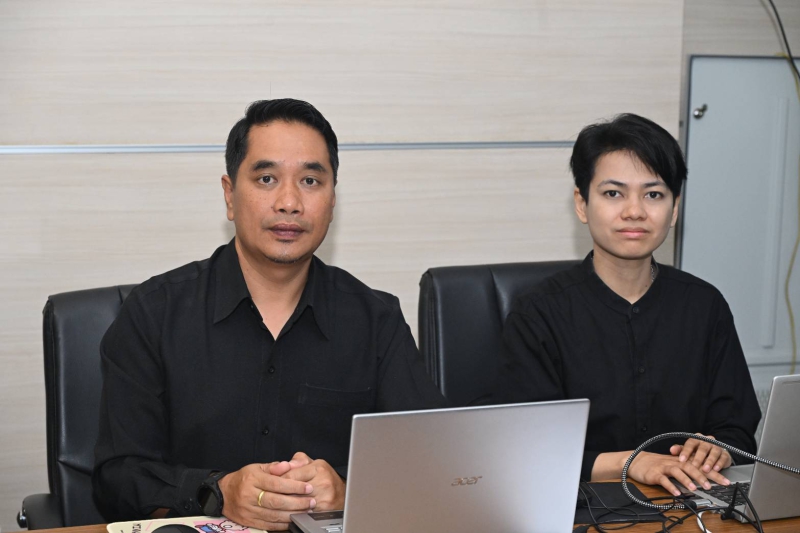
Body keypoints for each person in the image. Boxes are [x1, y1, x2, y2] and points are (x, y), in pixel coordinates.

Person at [93, 99, 445, 531]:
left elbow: (432, 464)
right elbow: (118, 477)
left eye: (311, 180)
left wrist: (349, 491)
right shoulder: (153, 313)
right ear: (229, 194)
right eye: (266, 179)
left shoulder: (376, 319)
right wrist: (216, 491)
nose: (290, 202)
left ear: (333, 198)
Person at [496, 113, 761, 497]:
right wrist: (631, 463)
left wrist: (717, 449)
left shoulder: (705, 306)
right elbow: (525, 449)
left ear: (674, 209)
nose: (634, 211)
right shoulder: (538, 314)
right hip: (580, 510)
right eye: (613, 193)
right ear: (582, 204)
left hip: (691, 504)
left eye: (653, 195)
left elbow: (737, 429)